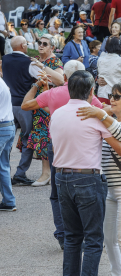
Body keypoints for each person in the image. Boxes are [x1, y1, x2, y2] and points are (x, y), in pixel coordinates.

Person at [50, 70, 121, 275]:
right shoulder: (93, 114)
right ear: (92, 91)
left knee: (72, 237)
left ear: (69, 89)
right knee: (93, 239)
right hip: (87, 178)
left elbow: (56, 148)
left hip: (61, 177)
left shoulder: (57, 114)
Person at [21, 60, 104, 250]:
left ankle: (63, 234)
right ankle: (83, 234)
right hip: (84, 143)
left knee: (58, 194)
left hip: (57, 143)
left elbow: (26, 105)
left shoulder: (53, 93)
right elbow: (101, 111)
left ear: (65, 77)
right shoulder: (88, 95)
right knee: (85, 190)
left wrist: (37, 86)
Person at [74, 81, 121, 276]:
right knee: (109, 238)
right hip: (111, 189)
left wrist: (102, 114)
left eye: (117, 97)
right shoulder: (109, 123)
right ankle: (118, 273)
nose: (112, 99)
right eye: (111, 96)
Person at [19, 34, 64, 187]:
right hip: (37, 102)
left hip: (48, 103)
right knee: (40, 136)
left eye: (45, 44)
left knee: (46, 136)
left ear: (52, 47)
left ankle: (47, 173)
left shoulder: (54, 61)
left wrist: (42, 67)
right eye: (39, 43)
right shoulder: (37, 59)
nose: (41, 45)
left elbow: (60, 80)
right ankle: (48, 172)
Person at [2, 36, 43, 185]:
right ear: (22, 46)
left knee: (5, 137)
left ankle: (4, 172)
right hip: (23, 105)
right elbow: (44, 78)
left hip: (7, 104)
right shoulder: (29, 62)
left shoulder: (5, 59)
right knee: (27, 138)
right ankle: (20, 173)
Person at [0, 77, 16, 212]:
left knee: (3, 166)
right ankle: (9, 201)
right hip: (8, 125)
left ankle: (9, 201)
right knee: (3, 166)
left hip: (2, 127)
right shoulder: (1, 81)